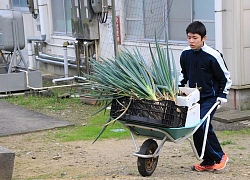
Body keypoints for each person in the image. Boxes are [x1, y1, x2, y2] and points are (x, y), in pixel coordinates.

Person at [179, 21, 232, 172]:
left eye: (195, 38)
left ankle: (220, 156)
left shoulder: (213, 55)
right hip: (194, 98)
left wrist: (222, 95)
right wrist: (178, 90)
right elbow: (183, 75)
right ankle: (208, 161)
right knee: (193, 128)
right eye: (189, 37)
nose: (191, 41)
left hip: (211, 98)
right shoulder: (185, 54)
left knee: (202, 124)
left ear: (204, 38)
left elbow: (225, 78)